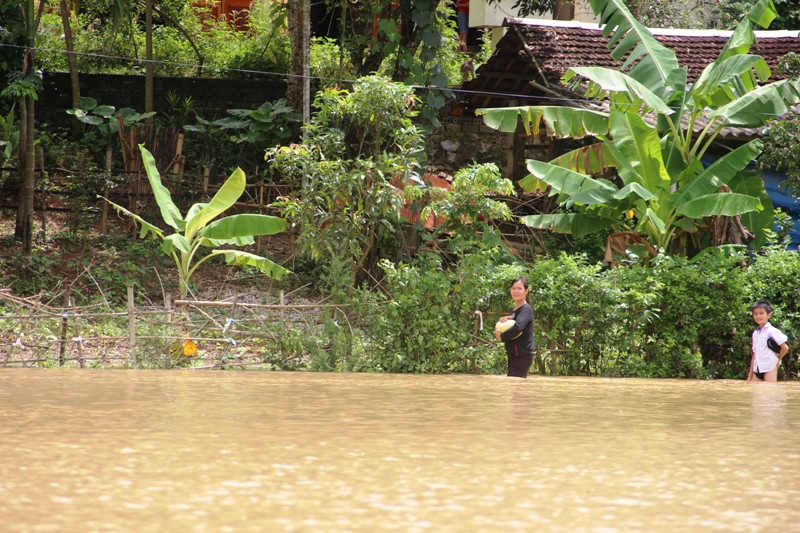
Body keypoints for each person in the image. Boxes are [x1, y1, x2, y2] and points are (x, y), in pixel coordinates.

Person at [495, 276, 536, 378]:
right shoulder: (514, 310)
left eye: (519, 288)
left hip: (522, 354)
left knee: (516, 384)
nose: (516, 291)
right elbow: (511, 325)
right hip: (514, 353)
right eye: (513, 288)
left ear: (526, 291)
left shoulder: (526, 309)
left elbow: (518, 327)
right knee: (515, 387)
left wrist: (502, 337)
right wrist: (504, 322)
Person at [747, 300, 789, 382]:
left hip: (770, 368)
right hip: (757, 368)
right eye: (755, 313)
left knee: (769, 392)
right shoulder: (755, 333)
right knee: (755, 393)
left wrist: (777, 359)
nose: (758, 316)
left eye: (761, 313)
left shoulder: (772, 331)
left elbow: (785, 348)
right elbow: (754, 355)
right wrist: (749, 376)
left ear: (768, 315)